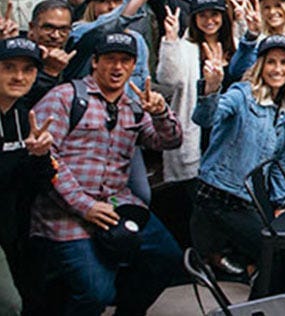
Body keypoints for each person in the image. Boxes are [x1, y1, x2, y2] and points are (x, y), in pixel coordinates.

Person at [29, 33, 183, 316]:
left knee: (168, 258)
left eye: (125, 60)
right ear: (95, 62)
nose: (117, 67)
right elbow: (46, 159)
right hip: (65, 213)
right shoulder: (65, 97)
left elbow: (168, 142)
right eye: (110, 59)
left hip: (117, 205)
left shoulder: (135, 105)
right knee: (95, 293)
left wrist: (161, 112)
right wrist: (85, 206)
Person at [190, 35, 285, 280]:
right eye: (271, 62)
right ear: (260, 65)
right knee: (272, 253)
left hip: (250, 198)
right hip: (219, 195)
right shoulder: (242, 94)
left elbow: (280, 163)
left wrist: (280, 204)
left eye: (283, 62)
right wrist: (211, 88)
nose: (277, 69)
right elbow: (205, 119)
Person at [157, 0, 235, 185]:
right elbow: (169, 80)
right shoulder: (185, 47)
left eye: (214, 14)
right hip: (198, 134)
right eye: (202, 15)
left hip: (229, 133)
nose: (209, 20)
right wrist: (171, 39)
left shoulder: (235, 45)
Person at [0, 38, 54, 316]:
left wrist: (40, 155)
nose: (18, 77)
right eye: (9, 67)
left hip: (17, 228)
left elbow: (39, 183)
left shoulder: (25, 117)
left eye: (28, 70)